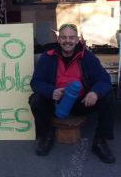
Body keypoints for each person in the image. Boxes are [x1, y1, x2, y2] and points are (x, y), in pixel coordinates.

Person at [29, 23, 116, 163]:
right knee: (36, 99)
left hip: (81, 102)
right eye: (63, 37)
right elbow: (36, 82)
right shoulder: (48, 57)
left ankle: (100, 141)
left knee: (108, 96)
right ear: (58, 40)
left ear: (77, 40)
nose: (67, 41)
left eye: (71, 37)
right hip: (56, 102)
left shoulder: (87, 57)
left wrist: (94, 92)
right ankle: (46, 136)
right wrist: (51, 91)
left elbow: (104, 79)